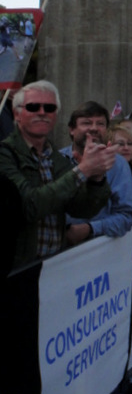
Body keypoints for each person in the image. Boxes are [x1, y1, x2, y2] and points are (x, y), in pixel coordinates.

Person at [0, 80, 115, 269]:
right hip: (19, 270)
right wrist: (84, 169)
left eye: (50, 108)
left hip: (54, 268)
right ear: (17, 114)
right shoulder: (5, 154)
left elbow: (81, 209)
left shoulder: (56, 157)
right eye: (33, 106)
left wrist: (97, 177)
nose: (42, 112)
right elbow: (29, 206)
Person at [60, 101, 132, 243]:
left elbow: (126, 215)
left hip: (98, 251)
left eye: (100, 124)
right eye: (87, 123)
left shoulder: (118, 164)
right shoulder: (57, 160)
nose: (94, 128)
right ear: (72, 129)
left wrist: (90, 229)